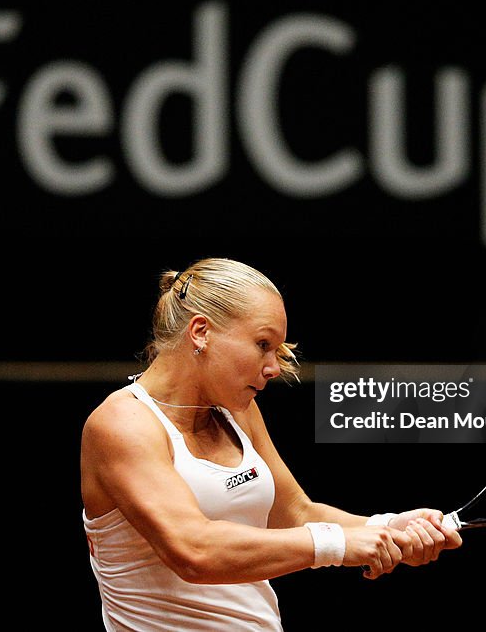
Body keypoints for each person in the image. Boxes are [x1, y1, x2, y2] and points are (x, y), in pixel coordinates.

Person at [81, 258, 461, 630]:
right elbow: (194, 550)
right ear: (200, 331)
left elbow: (294, 513)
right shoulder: (123, 423)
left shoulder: (236, 410)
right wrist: (337, 544)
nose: (274, 368)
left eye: (276, 350)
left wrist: (389, 526)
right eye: (262, 344)